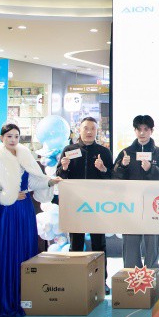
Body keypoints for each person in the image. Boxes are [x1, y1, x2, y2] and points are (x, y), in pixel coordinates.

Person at [0, 123, 62, 317]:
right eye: (9, 136)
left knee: (24, 249)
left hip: (24, 211)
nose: (13, 140)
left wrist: (49, 181)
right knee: (8, 249)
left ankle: (25, 298)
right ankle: (5, 300)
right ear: (1, 138)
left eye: (16, 136)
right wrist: (7, 194)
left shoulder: (24, 155)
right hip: (7, 212)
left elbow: (32, 181)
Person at [59, 117, 113, 290]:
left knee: (99, 244)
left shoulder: (104, 152)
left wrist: (103, 169)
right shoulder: (69, 150)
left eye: (92, 129)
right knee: (76, 243)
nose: (89, 132)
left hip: (97, 205)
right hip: (76, 204)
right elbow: (60, 176)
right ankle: (74, 282)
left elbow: (112, 178)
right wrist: (64, 168)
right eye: (86, 128)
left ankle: (101, 281)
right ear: (79, 130)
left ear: (97, 131)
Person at [113, 115, 159, 270]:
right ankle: (132, 277)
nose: (142, 133)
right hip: (131, 205)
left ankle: (152, 276)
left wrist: (151, 169)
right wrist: (122, 166)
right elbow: (115, 177)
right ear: (135, 131)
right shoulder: (126, 153)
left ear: (151, 131)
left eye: (146, 129)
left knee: (153, 243)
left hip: (154, 206)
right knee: (130, 244)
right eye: (139, 129)